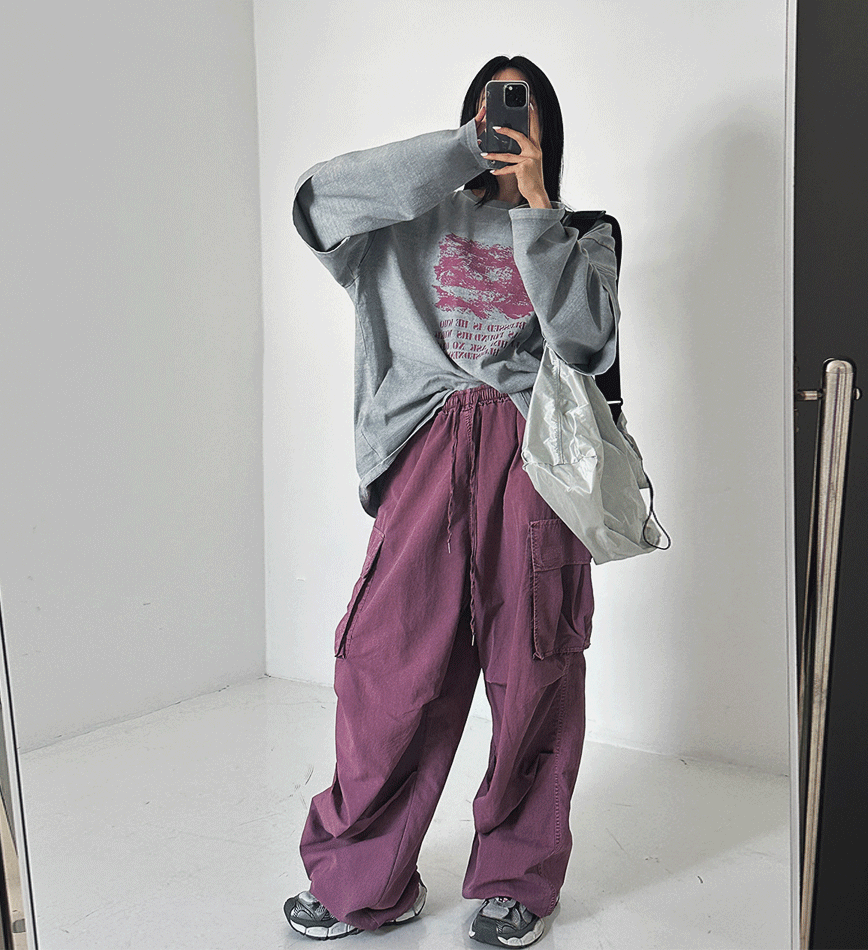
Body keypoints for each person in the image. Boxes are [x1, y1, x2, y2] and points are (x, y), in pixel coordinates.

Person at [283, 54, 619, 947]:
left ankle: (518, 878)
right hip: (426, 453)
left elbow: (587, 345)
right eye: (491, 106)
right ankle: (365, 878)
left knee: (535, 668)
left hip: (534, 461)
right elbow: (315, 203)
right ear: (467, 119)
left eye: (523, 109)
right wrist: (461, 153)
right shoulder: (397, 223)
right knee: (387, 669)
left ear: (548, 130)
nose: (506, 122)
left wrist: (536, 210)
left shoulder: (585, 234)